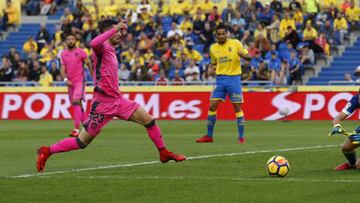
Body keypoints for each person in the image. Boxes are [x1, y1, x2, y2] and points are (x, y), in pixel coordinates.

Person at [36, 20, 186, 172]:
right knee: (81, 142)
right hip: (103, 105)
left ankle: (163, 153)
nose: (120, 35)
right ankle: (47, 151)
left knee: (149, 121)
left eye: (120, 32)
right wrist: (113, 29)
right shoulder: (100, 48)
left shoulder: (112, 50)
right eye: (117, 31)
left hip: (118, 101)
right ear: (109, 32)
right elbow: (94, 43)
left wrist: (114, 30)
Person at [196, 23, 251, 144]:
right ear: (216, 35)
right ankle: (209, 136)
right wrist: (211, 69)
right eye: (219, 34)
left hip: (234, 79)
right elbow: (214, 63)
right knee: (212, 106)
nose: (221, 36)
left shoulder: (236, 43)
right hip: (220, 80)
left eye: (223, 34)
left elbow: (249, 57)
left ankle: (241, 137)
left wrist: (244, 56)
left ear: (227, 34)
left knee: (237, 107)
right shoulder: (213, 48)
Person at [60, 33, 92, 137]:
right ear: (66, 41)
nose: (70, 41)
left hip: (80, 81)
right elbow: (62, 69)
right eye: (68, 39)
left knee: (75, 101)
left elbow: (88, 64)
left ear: (75, 41)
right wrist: (65, 79)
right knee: (77, 105)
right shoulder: (63, 54)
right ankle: (89, 127)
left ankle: (76, 129)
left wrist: (94, 76)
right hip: (70, 83)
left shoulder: (81, 52)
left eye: (72, 39)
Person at [329, 90, 360, 170]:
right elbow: (338, 117)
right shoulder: (356, 99)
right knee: (346, 148)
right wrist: (337, 125)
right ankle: (352, 164)